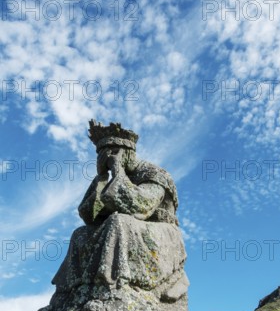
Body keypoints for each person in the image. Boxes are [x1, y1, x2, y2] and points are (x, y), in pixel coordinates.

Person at [52, 120, 189, 301]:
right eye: (102, 156)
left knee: (119, 222)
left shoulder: (154, 174)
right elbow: (89, 217)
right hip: (130, 226)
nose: (107, 159)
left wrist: (117, 172)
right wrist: (101, 177)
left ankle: (112, 281)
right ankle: (72, 289)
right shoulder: (117, 178)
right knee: (79, 234)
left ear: (126, 153)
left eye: (111, 154)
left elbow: (142, 206)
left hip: (163, 232)